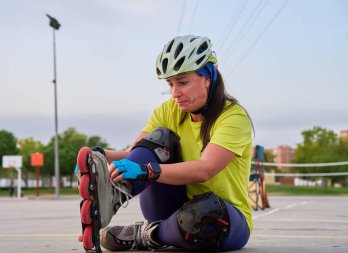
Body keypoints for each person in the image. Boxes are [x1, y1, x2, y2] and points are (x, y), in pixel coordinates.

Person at [79, 35, 253, 252]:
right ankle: (115, 192)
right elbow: (136, 154)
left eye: (183, 82)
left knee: (205, 213)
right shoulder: (169, 110)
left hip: (224, 217)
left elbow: (205, 170)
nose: (174, 93)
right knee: (160, 138)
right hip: (170, 206)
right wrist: (101, 157)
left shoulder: (233, 118)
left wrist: (149, 171)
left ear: (208, 77)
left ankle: (149, 234)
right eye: (170, 83)